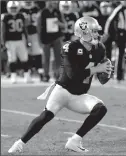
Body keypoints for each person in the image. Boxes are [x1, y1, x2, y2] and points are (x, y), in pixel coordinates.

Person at [8, 16, 113, 154]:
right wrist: (97, 69)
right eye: (93, 31)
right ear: (83, 32)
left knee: (100, 109)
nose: (96, 34)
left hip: (79, 96)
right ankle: (19, 143)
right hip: (63, 91)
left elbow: (102, 78)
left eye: (96, 31)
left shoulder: (100, 49)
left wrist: (107, 71)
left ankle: (74, 141)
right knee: (46, 116)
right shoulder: (70, 47)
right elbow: (73, 75)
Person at [1, 1, 32, 83]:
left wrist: (27, 40)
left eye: (15, 8)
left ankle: (27, 76)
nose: (13, 10)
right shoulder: (5, 17)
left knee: (24, 58)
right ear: (8, 8)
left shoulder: (21, 15)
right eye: (12, 8)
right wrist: (3, 43)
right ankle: (13, 76)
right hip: (10, 41)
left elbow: (25, 29)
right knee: (12, 59)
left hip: (20, 40)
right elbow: (3, 31)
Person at [37, 1, 65, 82]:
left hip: (56, 37)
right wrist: (39, 41)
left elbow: (64, 25)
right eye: (49, 1)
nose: (51, 3)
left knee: (58, 58)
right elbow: (38, 28)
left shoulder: (58, 12)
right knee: (46, 58)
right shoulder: (42, 13)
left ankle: (58, 74)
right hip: (45, 38)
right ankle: (46, 75)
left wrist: (58, 23)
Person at [20, 1, 43, 77]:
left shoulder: (37, 9)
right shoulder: (20, 10)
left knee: (37, 52)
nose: (28, 2)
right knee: (25, 53)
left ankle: (39, 70)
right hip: (23, 34)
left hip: (35, 33)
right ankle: (27, 71)